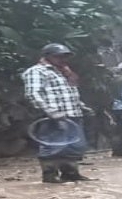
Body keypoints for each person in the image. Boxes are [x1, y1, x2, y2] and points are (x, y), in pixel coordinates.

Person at [22, 43, 90, 183]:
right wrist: (50, 111)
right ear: (48, 57)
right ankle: (50, 175)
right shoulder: (37, 71)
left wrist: (82, 106)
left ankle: (70, 173)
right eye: (58, 56)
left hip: (73, 114)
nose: (62, 59)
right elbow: (33, 94)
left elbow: (69, 92)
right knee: (52, 146)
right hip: (53, 116)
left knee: (74, 145)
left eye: (64, 56)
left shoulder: (64, 72)